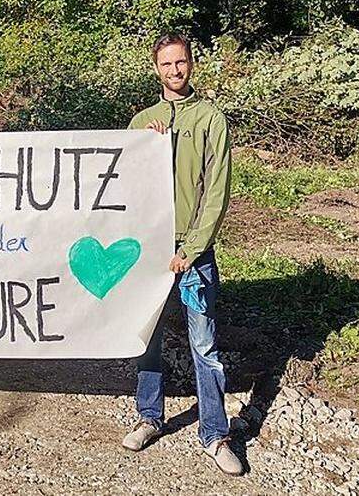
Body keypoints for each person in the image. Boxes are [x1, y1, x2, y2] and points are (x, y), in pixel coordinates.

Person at [121, 33, 243, 476]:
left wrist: (192, 249)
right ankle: (149, 417)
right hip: (150, 253)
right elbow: (125, 187)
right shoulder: (141, 121)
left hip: (194, 254)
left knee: (204, 344)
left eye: (182, 62)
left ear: (192, 64)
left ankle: (215, 434)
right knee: (146, 339)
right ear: (156, 68)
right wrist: (146, 148)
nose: (176, 70)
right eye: (167, 64)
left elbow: (216, 191)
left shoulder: (211, 119)